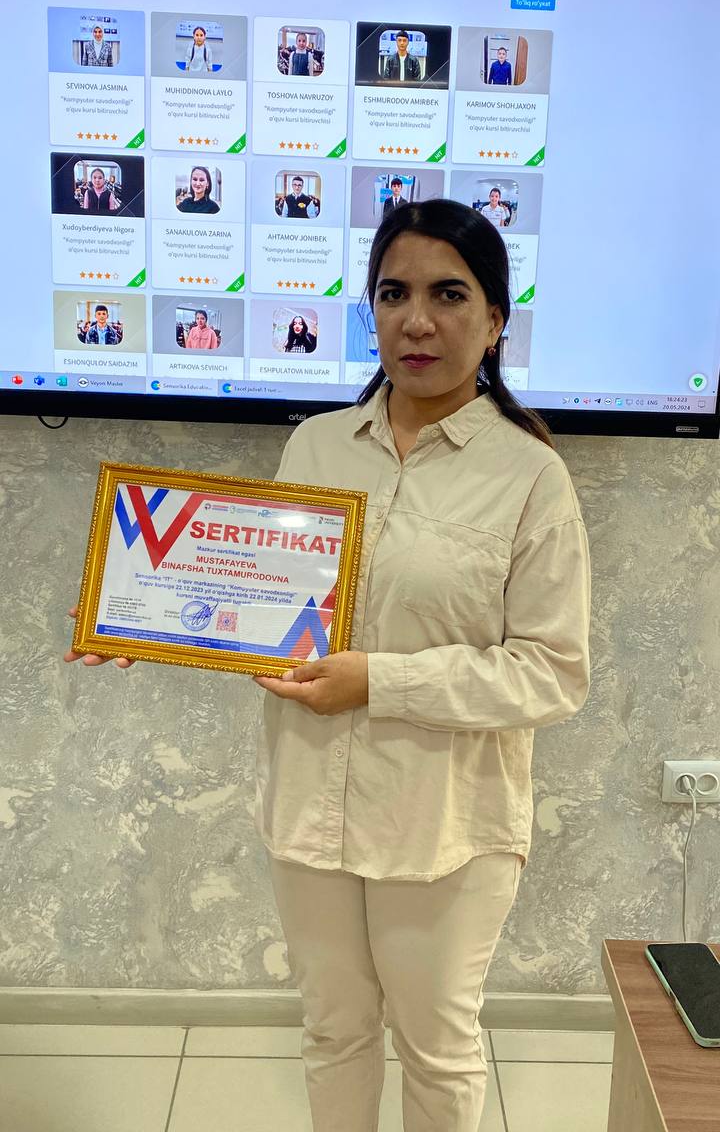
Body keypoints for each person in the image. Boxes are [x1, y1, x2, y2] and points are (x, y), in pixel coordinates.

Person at [65, 199, 591, 1132]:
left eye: (448, 294)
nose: (416, 321)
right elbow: (265, 604)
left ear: (495, 321)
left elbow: (551, 673)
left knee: (437, 1048)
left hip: (443, 825)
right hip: (311, 807)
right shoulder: (314, 444)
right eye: (393, 294)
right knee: (334, 1033)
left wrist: (379, 681)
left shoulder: (531, 477)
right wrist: (145, 618)